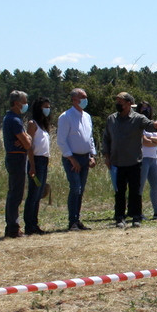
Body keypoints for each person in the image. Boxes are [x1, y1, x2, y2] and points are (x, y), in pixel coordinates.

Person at [101, 92, 157, 227]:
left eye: (120, 102)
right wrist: (107, 157)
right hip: (117, 162)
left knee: (135, 191)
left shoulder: (138, 118)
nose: (117, 104)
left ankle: (136, 217)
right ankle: (120, 217)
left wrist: (156, 124)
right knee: (119, 192)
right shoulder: (111, 119)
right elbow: (106, 139)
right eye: (116, 101)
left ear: (128, 104)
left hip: (135, 161)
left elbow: (149, 124)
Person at [57, 88, 97, 231]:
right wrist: (71, 158)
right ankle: (72, 221)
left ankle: (77, 219)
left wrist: (92, 155)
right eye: (82, 97)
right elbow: (61, 140)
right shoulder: (65, 117)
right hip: (71, 158)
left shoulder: (87, 116)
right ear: (74, 99)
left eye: (86, 97)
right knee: (75, 188)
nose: (85, 100)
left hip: (85, 158)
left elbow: (90, 137)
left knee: (81, 190)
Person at [1, 90, 31, 238]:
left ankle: (12, 226)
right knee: (15, 194)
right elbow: (27, 144)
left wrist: (26, 137)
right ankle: (13, 228)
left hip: (16, 158)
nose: (26, 104)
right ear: (17, 103)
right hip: (16, 158)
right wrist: (26, 138)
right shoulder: (14, 120)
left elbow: (26, 140)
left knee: (15, 193)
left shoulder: (12, 118)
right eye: (24, 101)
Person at [23, 95, 52, 236]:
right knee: (33, 194)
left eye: (49, 107)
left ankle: (35, 223)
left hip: (44, 161)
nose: (48, 109)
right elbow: (29, 146)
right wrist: (32, 165)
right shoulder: (32, 124)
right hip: (36, 161)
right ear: (38, 108)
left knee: (39, 193)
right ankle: (29, 225)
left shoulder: (43, 125)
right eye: (45, 107)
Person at [137, 101, 157, 220]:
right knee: (140, 186)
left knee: (156, 185)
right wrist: (154, 140)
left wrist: (151, 139)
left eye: (148, 108)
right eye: (143, 108)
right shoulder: (138, 124)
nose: (146, 111)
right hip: (142, 158)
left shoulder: (153, 125)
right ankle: (138, 212)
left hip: (153, 158)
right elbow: (144, 141)